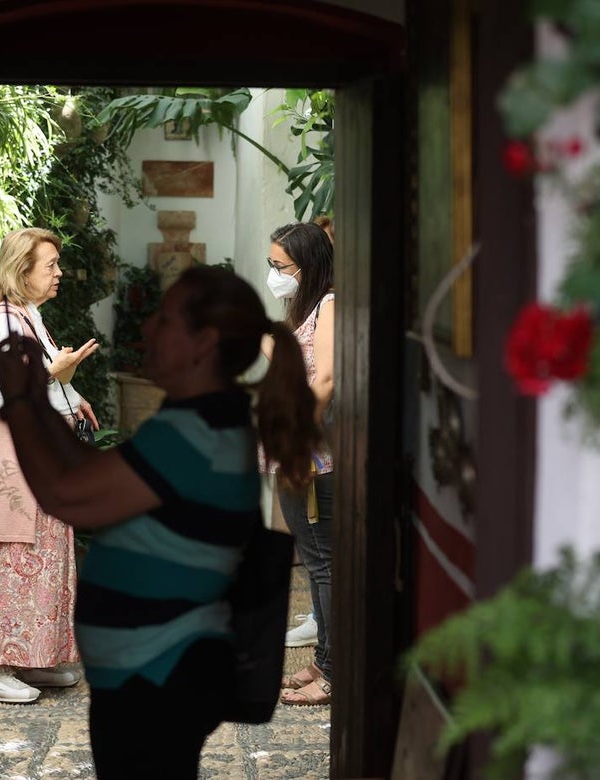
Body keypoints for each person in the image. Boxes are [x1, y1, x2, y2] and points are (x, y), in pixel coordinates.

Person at [0, 265, 322, 778]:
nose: (146, 331)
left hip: (162, 663)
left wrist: (24, 399)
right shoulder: (204, 415)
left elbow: (72, 495)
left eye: (164, 322)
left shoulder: (196, 428)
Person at [0, 227, 101, 704]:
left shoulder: (29, 317)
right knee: (15, 561)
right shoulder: (1, 323)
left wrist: (72, 391)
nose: (58, 273)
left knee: (46, 561)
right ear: (20, 271)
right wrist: (53, 372)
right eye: (50, 265)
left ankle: (30, 658)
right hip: (19, 468)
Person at [262, 221, 336, 706]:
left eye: (281, 266)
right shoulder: (301, 308)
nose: (274, 275)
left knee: (325, 560)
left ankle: (336, 671)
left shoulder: (328, 305)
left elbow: (326, 378)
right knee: (312, 560)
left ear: (306, 267)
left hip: (312, 453)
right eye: (271, 265)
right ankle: (324, 659)